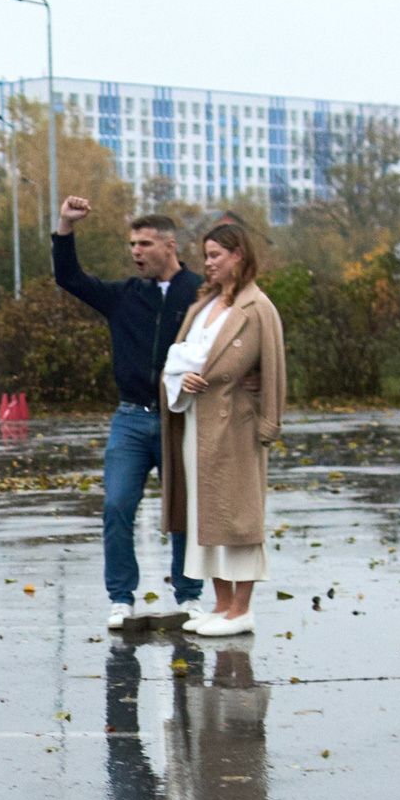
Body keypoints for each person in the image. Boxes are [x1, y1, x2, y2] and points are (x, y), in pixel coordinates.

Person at [52, 195, 205, 628]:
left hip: (182, 417)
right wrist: (66, 225)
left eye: (144, 244)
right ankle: (121, 599)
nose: (135, 251)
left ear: (169, 246)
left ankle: (189, 595)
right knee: (117, 505)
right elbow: (69, 277)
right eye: (132, 244)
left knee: (184, 510)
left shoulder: (198, 293)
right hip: (131, 419)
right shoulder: (123, 296)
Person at [160, 219, 286, 636]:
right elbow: (177, 360)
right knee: (206, 516)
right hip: (197, 424)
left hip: (237, 427)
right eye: (206, 255)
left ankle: (241, 609)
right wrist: (182, 381)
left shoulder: (257, 307)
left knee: (238, 517)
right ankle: (221, 603)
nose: (207, 263)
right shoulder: (202, 306)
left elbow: (274, 369)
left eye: (215, 255)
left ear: (239, 256)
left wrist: (268, 422)